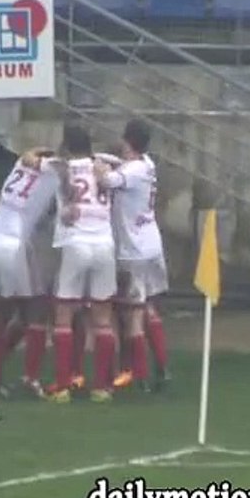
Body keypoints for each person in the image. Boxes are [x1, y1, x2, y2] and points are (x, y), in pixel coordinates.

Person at [43, 124, 125, 404]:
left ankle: (63, 386)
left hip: (75, 243)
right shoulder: (107, 166)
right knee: (103, 319)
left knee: (63, 316)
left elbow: (33, 161)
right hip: (104, 244)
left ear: (66, 145)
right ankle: (102, 387)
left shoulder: (58, 166)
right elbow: (121, 162)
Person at [0, 146, 61, 398]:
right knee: (36, 309)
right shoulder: (54, 173)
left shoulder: (20, 165)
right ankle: (30, 378)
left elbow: (28, 155)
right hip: (14, 244)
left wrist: (31, 154)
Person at [100, 120, 172, 392]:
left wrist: (93, 165)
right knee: (149, 307)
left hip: (133, 251)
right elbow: (121, 165)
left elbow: (106, 180)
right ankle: (162, 366)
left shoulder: (131, 171)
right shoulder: (148, 165)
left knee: (132, 313)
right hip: (152, 245)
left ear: (126, 140)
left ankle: (139, 375)